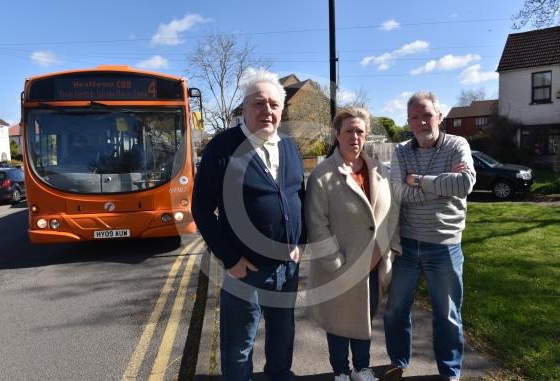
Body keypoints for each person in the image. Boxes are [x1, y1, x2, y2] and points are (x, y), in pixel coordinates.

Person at [192, 68, 305, 381]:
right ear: (244, 108)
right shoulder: (223, 147)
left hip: (287, 268)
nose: (267, 110)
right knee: (239, 346)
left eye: (273, 104)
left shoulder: (288, 146)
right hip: (246, 271)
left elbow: (300, 196)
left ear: (282, 111)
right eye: (259, 103)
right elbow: (201, 207)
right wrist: (231, 259)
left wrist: (299, 242)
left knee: (283, 337)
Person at [382, 91, 476, 381]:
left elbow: (464, 184)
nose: (422, 122)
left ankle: (450, 371)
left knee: (447, 314)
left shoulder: (457, 144)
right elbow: (398, 191)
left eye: (427, 115)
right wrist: (440, 185)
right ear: (408, 122)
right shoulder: (401, 151)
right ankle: (398, 360)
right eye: (415, 117)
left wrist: (419, 180)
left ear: (440, 116)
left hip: (445, 246)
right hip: (407, 246)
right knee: (396, 309)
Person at [306, 108, 400, 381]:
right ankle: (340, 371)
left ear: (366, 134)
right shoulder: (322, 175)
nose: (354, 137)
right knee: (338, 323)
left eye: (360, 131)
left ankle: (361, 368)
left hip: (372, 264)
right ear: (337, 135)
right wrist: (337, 263)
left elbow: (392, 211)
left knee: (363, 320)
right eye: (348, 131)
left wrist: (387, 251)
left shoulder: (380, 171)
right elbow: (316, 224)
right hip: (338, 266)